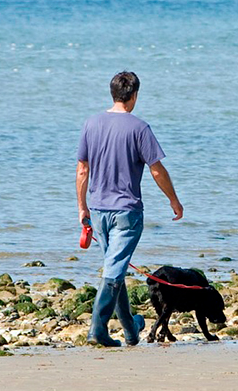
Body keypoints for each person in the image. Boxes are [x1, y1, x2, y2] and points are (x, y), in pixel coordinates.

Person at [76, 71, 184, 347]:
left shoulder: (91, 123)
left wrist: (82, 208)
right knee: (113, 271)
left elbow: (82, 170)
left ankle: (130, 330)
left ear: (113, 94)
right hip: (126, 212)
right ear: (134, 96)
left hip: (98, 210)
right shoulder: (139, 128)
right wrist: (174, 200)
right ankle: (97, 330)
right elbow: (157, 170)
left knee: (116, 267)